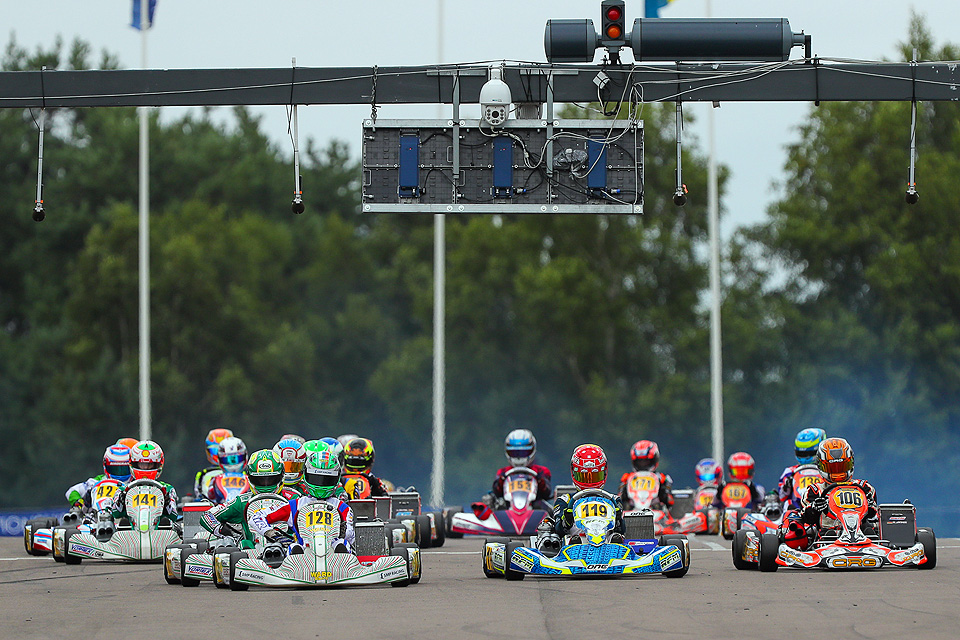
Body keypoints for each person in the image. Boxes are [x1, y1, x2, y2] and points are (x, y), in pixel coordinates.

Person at [251, 445, 355, 554]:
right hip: (303, 555)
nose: (320, 484)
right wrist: (269, 532)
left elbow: (351, 536)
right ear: (306, 475)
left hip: (334, 555)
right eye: (316, 478)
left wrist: (342, 533)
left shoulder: (343, 508)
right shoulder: (295, 505)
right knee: (294, 547)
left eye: (326, 479)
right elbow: (256, 517)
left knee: (343, 544)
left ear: (336, 479)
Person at [200, 450, 285, 549]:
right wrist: (225, 531)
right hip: (251, 555)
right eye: (260, 480)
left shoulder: (292, 498)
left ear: (281, 476)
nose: (265, 484)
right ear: (250, 478)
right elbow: (207, 516)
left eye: (271, 479)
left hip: (289, 552)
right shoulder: (242, 501)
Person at [798, 437, 878, 538]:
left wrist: (870, 506)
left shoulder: (864, 488)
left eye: (842, 467)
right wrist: (814, 508)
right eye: (832, 468)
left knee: (871, 529)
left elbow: (874, 514)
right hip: (828, 538)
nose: (838, 473)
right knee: (826, 534)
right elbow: (805, 518)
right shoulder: (814, 491)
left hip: (862, 535)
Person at [545, 444, 625, 544]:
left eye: (595, 476)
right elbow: (558, 530)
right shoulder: (565, 501)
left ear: (604, 473)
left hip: (607, 545)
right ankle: (575, 542)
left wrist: (618, 519)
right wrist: (567, 520)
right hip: (573, 547)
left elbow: (622, 530)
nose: (590, 482)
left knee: (616, 537)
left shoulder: (613, 500)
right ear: (574, 473)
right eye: (584, 476)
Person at [110, 440, 180, 522]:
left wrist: (166, 503)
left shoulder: (167, 489)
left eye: (150, 465)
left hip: (159, 532)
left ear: (158, 465)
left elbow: (174, 516)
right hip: (131, 532)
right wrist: (121, 501)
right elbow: (115, 514)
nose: (145, 468)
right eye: (141, 465)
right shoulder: (123, 489)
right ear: (133, 464)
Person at [489, 429, 552, 508]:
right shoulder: (503, 472)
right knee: (499, 506)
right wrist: (502, 480)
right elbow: (497, 493)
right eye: (515, 453)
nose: (519, 457)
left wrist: (539, 480)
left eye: (523, 453)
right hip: (509, 508)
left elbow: (546, 493)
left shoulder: (541, 471)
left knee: (542, 506)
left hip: (534, 508)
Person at [64, 444, 132, 518]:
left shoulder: (135, 483)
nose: (120, 473)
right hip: (97, 520)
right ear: (105, 466)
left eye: (124, 469)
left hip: (129, 520)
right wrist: (81, 503)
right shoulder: (95, 482)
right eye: (115, 469)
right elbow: (71, 491)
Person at [777, 428, 826, 510]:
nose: (804, 456)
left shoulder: (826, 470)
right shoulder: (790, 471)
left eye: (809, 453)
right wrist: (787, 486)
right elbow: (781, 497)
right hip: (797, 508)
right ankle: (788, 521)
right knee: (787, 503)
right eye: (801, 453)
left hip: (821, 505)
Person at [618, 440, 674, 511]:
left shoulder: (662, 478)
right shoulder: (627, 478)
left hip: (657, 512)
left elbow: (670, 501)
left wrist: (663, 492)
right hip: (632, 512)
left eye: (646, 461)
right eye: (640, 461)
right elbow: (619, 500)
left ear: (654, 459)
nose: (643, 464)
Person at [206, 436, 251, 504]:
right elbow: (210, 496)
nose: (232, 464)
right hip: (221, 509)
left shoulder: (250, 478)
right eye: (228, 460)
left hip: (246, 508)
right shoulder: (216, 479)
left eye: (236, 459)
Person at [193, 428, 234, 500]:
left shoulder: (242, 474)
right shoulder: (202, 474)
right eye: (215, 450)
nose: (219, 454)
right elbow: (199, 496)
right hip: (209, 505)